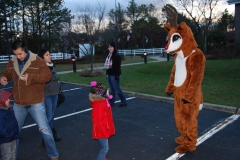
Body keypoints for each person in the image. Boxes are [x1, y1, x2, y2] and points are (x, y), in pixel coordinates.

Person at [0, 40, 59, 160]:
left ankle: (53, 154)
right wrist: (4, 77)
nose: (18, 56)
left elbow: (47, 75)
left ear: (25, 50)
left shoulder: (37, 61)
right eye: (15, 54)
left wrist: (30, 78)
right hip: (19, 103)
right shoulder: (13, 61)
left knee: (45, 130)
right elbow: (8, 72)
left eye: (20, 53)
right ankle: (11, 157)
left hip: (35, 102)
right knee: (14, 131)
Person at [37, 49, 62, 146]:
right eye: (47, 55)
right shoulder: (41, 68)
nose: (49, 56)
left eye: (49, 54)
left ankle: (52, 135)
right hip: (47, 95)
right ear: (42, 57)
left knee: (52, 115)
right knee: (49, 116)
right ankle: (46, 138)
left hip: (55, 94)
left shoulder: (51, 66)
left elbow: (56, 79)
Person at [89, 81, 115, 160]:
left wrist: (108, 98)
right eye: (106, 91)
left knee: (104, 147)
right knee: (105, 148)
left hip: (104, 128)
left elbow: (106, 106)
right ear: (101, 94)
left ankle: (102, 158)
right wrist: (105, 133)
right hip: (101, 131)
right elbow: (98, 122)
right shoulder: (99, 106)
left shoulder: (102, 101)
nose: (108, 92)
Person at [104, 42, 127, 107]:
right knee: (111, 90)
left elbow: (117, 67)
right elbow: (107, 67)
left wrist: (117, 76)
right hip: (109, 74)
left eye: (111, 47)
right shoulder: (108, 55)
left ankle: (124, 101)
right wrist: (107, 74)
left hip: (114, 75)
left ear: (114, 48)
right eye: (109, 47)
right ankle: (111, 102)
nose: (110, 48)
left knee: (117, 88)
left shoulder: (117, 56)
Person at [0, 89, 19, 160]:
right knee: (7, 155)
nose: (9, 100)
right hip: (5, 139)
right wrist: (8, 134)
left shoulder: (9, 108)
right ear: (1, 102)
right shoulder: (1, 113)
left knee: (13, 154)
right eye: (7, 99)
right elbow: (1, 128)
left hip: (12, 136)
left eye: (9, 98)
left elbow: (14, 121)